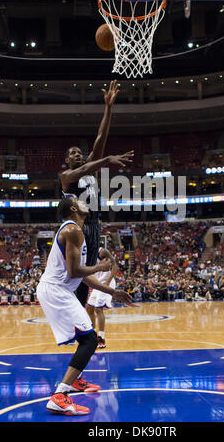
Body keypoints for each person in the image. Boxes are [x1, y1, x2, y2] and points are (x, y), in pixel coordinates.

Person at [36, 197, 132, 416]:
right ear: (73, 208)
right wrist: (100, 266)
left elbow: (82, 277)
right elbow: (74, 272)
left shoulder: (76, 231)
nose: (83, 201)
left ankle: (75, 380)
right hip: (56, 290)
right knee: (89, 340)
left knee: (85, 337)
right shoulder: (72, 231)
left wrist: (112, 292)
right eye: (78, 200)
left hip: (60, 290)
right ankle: (60, 396)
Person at [59, 80, 134, 310]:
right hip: (77, 230)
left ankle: (80, 320)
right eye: (73, 153)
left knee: (85, 282)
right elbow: (82, 170)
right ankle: (72, 316)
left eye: (80, 153)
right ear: (66, 161)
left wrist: (109, 107)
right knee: (76, 277)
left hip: (94, 226)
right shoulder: (66, 176)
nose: (78, 155)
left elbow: (101, 137)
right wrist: (107, 159)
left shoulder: (90, 167)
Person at [86, 247, 119, 349]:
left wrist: (108, 281)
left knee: (98, 309)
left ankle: (101, 337)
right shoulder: (83, 253)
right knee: (89, 308)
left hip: (106, 281)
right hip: (97, 283)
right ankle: (92, 335)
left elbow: (115, 266)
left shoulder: (101, 251)